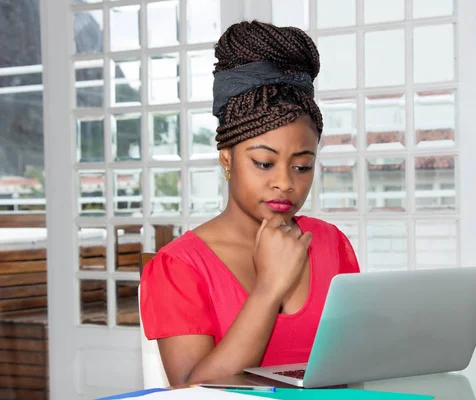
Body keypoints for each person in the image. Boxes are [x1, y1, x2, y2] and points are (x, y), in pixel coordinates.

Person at [139, 20, 360, 386]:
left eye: (302, 166)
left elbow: (355, 366)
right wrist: (269, 286)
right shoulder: (178, 267)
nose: (285, 183)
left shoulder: (331, 244)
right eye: (263, 163)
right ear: (226, 158)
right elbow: (194, 392)